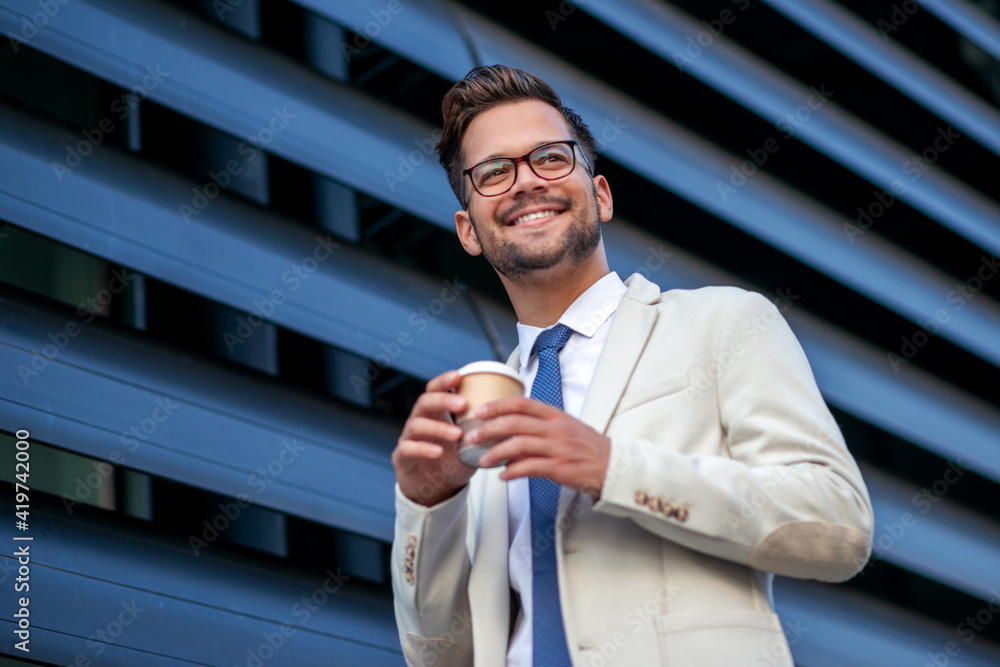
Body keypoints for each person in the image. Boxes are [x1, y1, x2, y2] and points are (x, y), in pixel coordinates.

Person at [390, 64, 874, 667]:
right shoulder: (481, 420)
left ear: (601, 195)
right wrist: (427, 502)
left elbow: (838, 527)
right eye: (493, 172)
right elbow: (438, 655)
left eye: (549, 158)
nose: (523, 183)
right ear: (468, 230)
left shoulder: (723, 323)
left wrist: (611, 467)